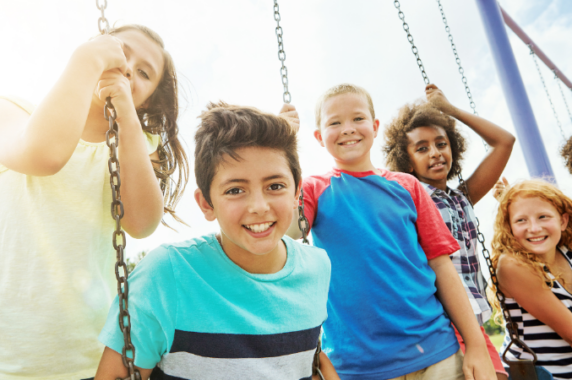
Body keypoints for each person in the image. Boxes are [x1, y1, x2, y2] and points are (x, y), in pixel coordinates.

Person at [95, 102, 338, 380]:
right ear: (206, 204)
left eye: (275, 186)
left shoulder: (317, 266)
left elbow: (306, 358)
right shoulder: (167, 274)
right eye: (235, 190)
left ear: (297, 192)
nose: (259, 206)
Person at [0, 25, 189, 380]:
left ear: (146, 100)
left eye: (144, 73)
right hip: (7, 348)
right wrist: (86, 60)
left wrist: (126, 117)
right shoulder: (15, 111)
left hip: (82, 355)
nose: (128, 68)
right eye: (119, 51)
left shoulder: (134, 148)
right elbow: (44, 154)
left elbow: (142, 222)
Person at [288, 83, 496, 380]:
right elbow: (285, 230)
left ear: (374, 127)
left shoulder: (407, 186)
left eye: (357, 119)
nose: (347, 128)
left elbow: (442, 267)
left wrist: (475, 343)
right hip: (361, 364)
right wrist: (282, 145)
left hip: (437, 349)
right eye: (335, 122)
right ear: (320, 138)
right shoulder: (313, 189)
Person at [384, 84, 515, 380]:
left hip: (472, 320)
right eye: (422, 148)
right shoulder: (407, 199)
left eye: (441, 143)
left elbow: (504, 142)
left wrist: (451, 110)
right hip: (439, 320)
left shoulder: (462, 196)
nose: (435, 153)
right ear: (406, 160)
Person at [489, 179, 572, 380]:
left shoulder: (566, 254)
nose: (534, 228)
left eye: (543, 217)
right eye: (521, 221)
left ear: (563, 221)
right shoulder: (512, 266)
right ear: (509, 227)